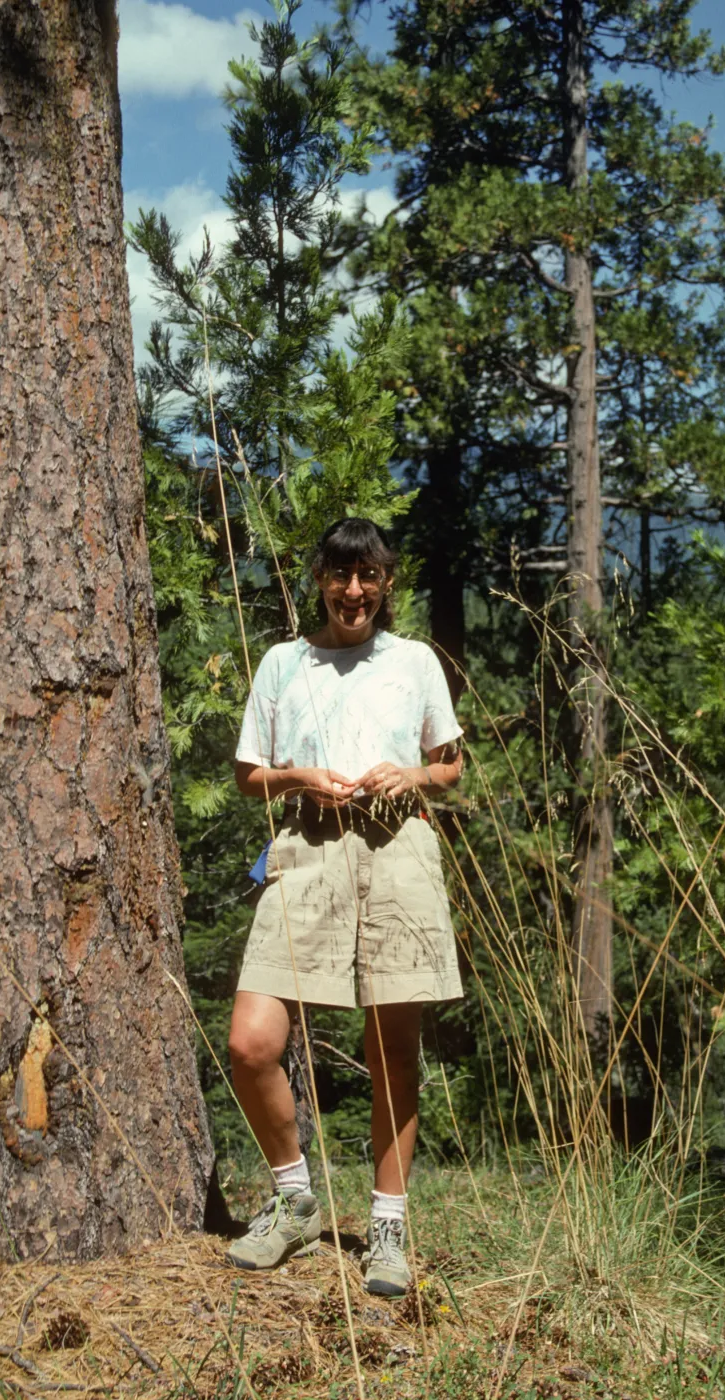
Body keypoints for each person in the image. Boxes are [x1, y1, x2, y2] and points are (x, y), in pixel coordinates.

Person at [226, 517, 464, 1296]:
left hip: (398, 848)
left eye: (367, 578)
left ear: (386, 583)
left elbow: (449, 766)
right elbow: (248, 777)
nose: (352, 592)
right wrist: (301, 777)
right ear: (319, 582)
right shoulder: (282, 663)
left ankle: (387, 1226)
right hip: (307, 846)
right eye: (339, 576)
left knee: (391, 1049)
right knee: (252, 1043)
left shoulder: (414, 661)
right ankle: (294, 1201)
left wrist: (409, 776)